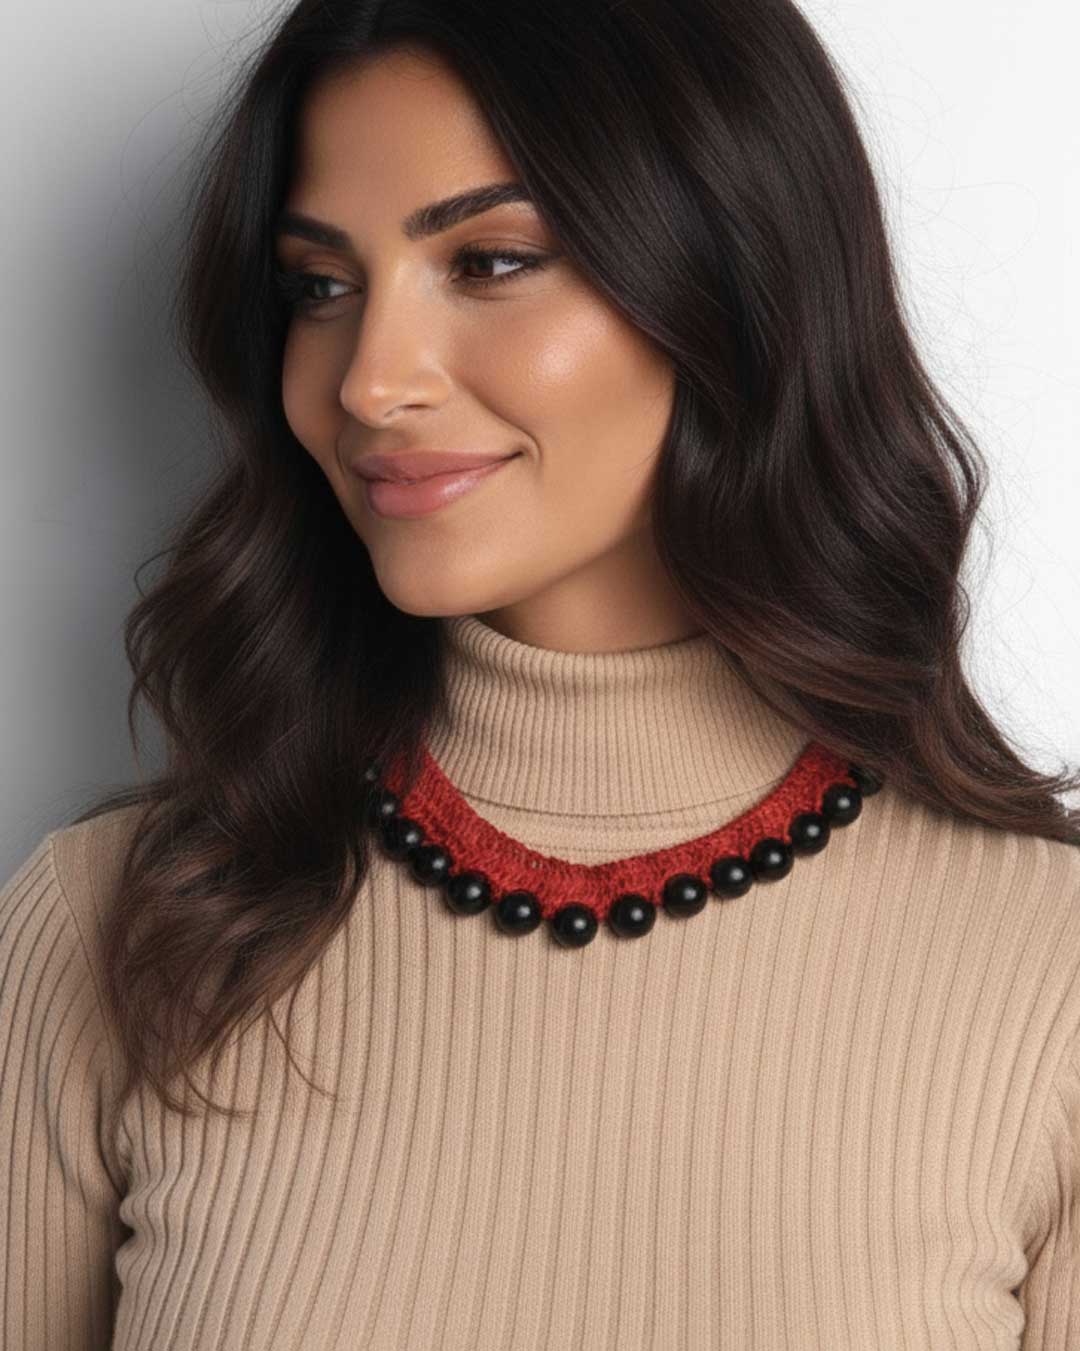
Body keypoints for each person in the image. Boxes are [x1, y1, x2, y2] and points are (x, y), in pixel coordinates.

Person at [2, 1, 1078, 1346]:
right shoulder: (119, 931)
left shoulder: (1052, 977)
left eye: (492, 261)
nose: (371, 381)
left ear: (734, 285)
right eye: (320, 289)